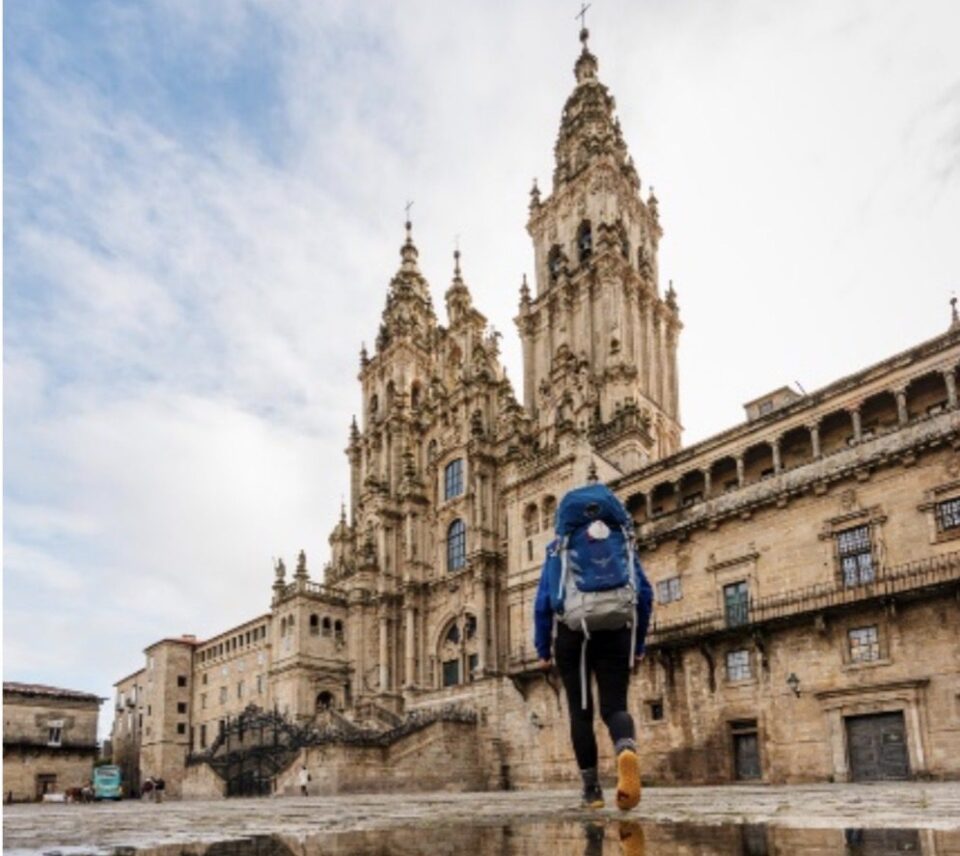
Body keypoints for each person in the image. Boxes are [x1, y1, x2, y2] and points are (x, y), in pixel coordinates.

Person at [534, 482, 653, 811]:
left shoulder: (556, 548)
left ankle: (592, 792)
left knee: (580, 713)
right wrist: (638, 643)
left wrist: (543, 650)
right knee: (615, 707)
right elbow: (644, 593)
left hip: (572, 632)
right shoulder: (622, 543)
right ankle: (625, 750)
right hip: (617, 627)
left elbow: (543, 603)